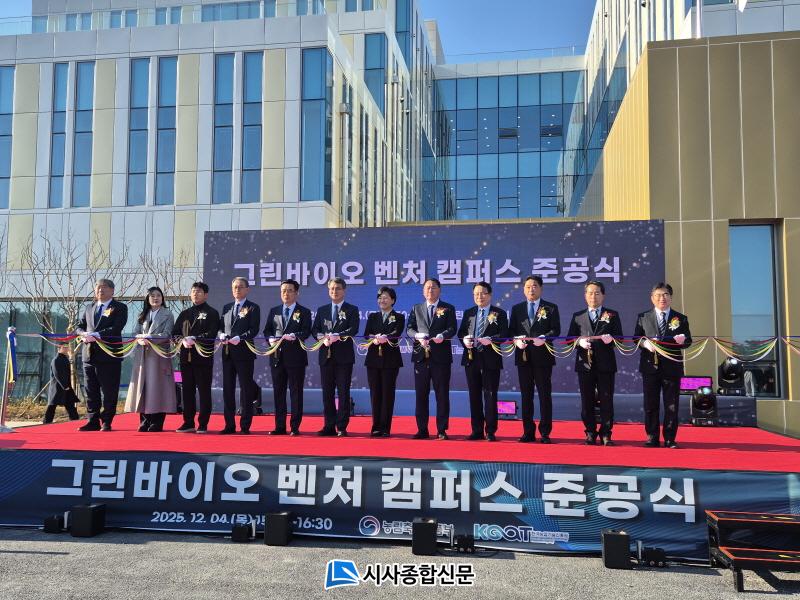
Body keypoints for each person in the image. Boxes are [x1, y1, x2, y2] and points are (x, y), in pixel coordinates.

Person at [634, 282, 692, 449]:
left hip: (672, 368)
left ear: (671, 297)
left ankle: (670, 438)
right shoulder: (643, 317)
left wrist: (682, 341)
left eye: (665, 294)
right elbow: (636, 339)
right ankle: (652, 437)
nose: (662, 298)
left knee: (671, 405)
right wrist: (645, 344)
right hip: (650, 367)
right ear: (652, 298)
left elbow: (688, 340)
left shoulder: (680, 318)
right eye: (658, 295)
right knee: (650, 404)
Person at [567, 280, 623, 446]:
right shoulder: (578, 316)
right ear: (585, 296)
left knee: (606, 400)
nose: (593, 296)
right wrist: (579, 342)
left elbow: (620, 339)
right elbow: (569, 339)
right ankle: (590, 432)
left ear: (603, 295)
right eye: (590, 293)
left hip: (606, 365)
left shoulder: (612, 315)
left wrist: (611, 340)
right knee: (587, 401)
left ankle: (606, 433)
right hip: (585, 364)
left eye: (597, 293)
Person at [509, 275, 561, 443]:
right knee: (526, 396)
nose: (531, 289)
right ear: (524, 289)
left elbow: (556, 330)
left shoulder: (551, 308)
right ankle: (528, 432)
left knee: (545, 395)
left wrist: (545, 337)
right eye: (528, 286)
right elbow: (511, 331)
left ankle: (545, 432)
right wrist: (516, 340)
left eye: (535, 286)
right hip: (523, 357)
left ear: (541, 288)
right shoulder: (517, 309)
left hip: (543, 357)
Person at [457, 281, 509, 441]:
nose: (479, 296)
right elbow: (461, 333)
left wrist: (491, 340)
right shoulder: (469, 313)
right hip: (471, 358)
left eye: (483, 293)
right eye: (476, 294)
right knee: (474, 395)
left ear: (490, 295)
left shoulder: (499, 313)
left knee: (490, 395)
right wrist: (465, 340)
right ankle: (477, 430)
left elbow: (505, 334)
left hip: (491, 359)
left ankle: (491, 431)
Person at [406, 278, 457, 440]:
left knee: (442, 394)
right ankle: (422, 429)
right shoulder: (416, 308)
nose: (430, 290)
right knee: (421, 395)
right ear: (423, 291)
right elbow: (409, 329)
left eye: (433, 287)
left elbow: (452, 328)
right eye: (427, 288)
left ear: (439, 290)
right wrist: (417, 335)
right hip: (421, 357)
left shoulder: (448, 308)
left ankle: (442, 430)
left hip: (441, 358)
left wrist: (443, 335)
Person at [75, 278, 129, 431]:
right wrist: (83, 333)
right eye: (98, 287)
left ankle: (107, 420)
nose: (100, 290)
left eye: (104, 287)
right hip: (89, 355)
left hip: (109, 356)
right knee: (91, 390)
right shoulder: (89, 307)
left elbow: (117, 327)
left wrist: (97, 334)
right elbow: (79, 326)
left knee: (109, 390)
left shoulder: (119, 307)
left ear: (112, 290)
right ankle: (92, 420)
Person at [310, 277, 360, 437]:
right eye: (332, 288)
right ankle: (329, 425)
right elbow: (315, 330)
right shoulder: (322, 310)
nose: (334, 291)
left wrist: (338, 336)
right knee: (327, 393)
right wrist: (321, 337)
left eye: (338, 288)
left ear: (344, 290)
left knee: (343, 392)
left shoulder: (352, 309)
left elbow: (353, 329)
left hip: (344, 357)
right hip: (326, 356)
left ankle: (342, 426)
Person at [263, 279, 312, 436]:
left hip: (296, 358)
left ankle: (295, 426)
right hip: (277, 357)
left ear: (296, 293)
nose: (286, 293)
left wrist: (295, 336)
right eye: (283, 290)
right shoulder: (274, 310)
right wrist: (270, 338)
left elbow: (306, 331)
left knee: (296, 393)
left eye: (290, 290)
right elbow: (267, 330)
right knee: (279, 392)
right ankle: (280, 426)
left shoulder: (304, 312)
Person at [124, 287, 177, 432]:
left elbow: (167, 334)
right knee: (143, 387)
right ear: (148, 299)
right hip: (142, 357)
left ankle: (157, 422)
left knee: (158, 388)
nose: (155, 298)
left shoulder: (168, 314)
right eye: (152, 295)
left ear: (162, 298)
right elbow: (135, 333)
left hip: (159, 356)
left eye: (158, 295)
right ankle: (144, 421)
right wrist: (139, 338)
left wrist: (150, 338)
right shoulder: (142, 314)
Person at [172, 282, 221, 434]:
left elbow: (212, 333)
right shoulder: (184, 313)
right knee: (187, 391)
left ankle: (203, 423)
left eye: (199, 291)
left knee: (204, 391)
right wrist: (181, 340)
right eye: (193, 291)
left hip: (203, 358)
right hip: (186, 358)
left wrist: (196, 339)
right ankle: (188, 422)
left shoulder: (212, 313)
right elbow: (175, 333)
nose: (195, 294)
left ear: (206, 295)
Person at [218, 277, 261, 434]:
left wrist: (240, 338)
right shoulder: (227, 307)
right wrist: (221, 334)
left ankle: (245, 425)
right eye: (235, 287)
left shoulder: (253, 307)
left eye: (240, 287)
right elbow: (221, 327)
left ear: (247, 289)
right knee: (228, 389)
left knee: (246, 389)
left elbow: (254, 329)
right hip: (228, 353)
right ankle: (229, 425)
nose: (237, 289)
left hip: (244, 353)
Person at [363, 287, 405, 437]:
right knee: (375, 394)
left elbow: (397, 332)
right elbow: (366, 334)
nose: (382, 300)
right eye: (380, 298)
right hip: (373, 360)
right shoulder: (373, 316)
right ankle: (376, 427)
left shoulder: (399, 317)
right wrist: (373, 338)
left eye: (386, 297)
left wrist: (385, 337)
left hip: (391, 361)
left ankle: (386, 428)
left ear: (393, 300)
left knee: (387, 394)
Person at [43, 343, 80, 423]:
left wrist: (67, 386)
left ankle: (75, 421)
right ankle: (46, 422)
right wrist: (64, 386)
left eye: (67, 347)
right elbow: (57, 374)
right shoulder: (56, 360)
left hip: (66, 387)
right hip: (57, 387)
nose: (66, 349)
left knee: (70, 405)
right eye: (64, 347)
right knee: (52, 406)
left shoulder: (65, 358)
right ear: (59, 349)